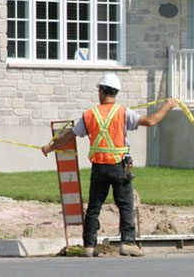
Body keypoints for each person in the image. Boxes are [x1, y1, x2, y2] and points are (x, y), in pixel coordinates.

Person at [41, 73, 180, 257]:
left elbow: (69, 136)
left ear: (101, 91)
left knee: (94, 206)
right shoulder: (123, 112)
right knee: (125, 205)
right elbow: (151, 121)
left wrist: (50, 147)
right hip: (119, 166)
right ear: (116, 92)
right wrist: (168, 106)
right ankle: (127, 242)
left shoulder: (90, 115)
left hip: (99, 167)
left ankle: (89, 245)